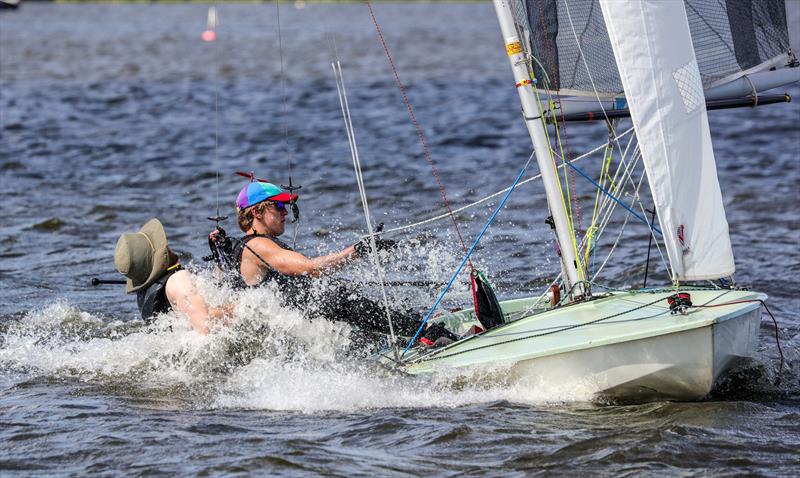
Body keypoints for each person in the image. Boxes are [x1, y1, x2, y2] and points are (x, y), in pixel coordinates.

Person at [213, 180, 457, 347]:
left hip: (294, 320)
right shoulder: (258, 245)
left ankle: (411, 329)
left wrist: (220, 258)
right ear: (256, 213)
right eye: (278, 206)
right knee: (340, 296)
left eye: (287, 206)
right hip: (296, 321)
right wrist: (359, 251)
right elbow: (310, 268)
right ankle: (425, 335)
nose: (286, 212)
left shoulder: (239, 247)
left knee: (337, 294)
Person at [115, 218, 229, 335]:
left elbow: (211, 295)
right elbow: (207, 325)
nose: (166, 244)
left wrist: (220, 258)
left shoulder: (146, 296)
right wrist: (242, 307)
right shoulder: (177, 280)